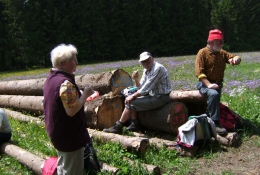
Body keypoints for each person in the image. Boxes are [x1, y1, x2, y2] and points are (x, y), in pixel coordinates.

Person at [43, 44, 95, 175]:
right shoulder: (65, 84)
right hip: (69, 136)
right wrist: (85, 95)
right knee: (72, 170)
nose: (77, 63)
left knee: (64, 165)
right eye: (74, 60)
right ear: (64, 62)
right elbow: (71, 111)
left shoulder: (51, 79)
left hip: (58, 133)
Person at [103, 51, 172, 134]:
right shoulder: (146, 70)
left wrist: (133, 96)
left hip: (161, 97)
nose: (146, 63)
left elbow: (145, 89)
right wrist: (136, 79)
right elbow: (140, 87)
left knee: (130, 103)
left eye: (147, 60)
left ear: (152, 59)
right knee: (130, 97)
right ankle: (135, 124)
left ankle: (118, 126)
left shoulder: (158, 68)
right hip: (153, 96)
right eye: (143, 61)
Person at [195, 29, 241, 135]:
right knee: (214, 94)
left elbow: (234, 57)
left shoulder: (221, 53)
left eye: (221, 41)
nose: (221, 44)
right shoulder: (202, 53)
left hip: (217, 84)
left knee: (213, 102)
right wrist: (209, 85)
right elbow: (199, 73)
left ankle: (207, 124)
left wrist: (235, 59)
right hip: (204, 84)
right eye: (218, 41)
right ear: (211, 42)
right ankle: (215, 123)